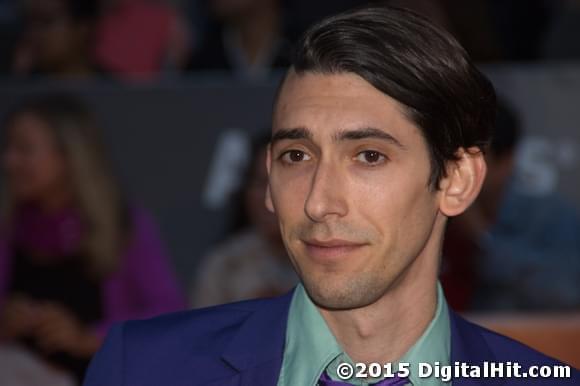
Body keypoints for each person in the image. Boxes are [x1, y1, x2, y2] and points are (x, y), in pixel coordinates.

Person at [83, 5, 580, 386]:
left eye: (368, 156)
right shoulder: (144, 368)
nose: (318, 202)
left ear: (457, 181)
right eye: (296, 156)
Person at [0, 94, 185, 381]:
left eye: (24, 149)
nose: (9, 161)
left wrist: (87, 337)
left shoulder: (122, 225)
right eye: (8, 148)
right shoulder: (8, 226)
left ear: (68, 156)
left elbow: (170, 313)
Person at [447, 99, 580, 311]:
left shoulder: (553, 217)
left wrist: (482, 238)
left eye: (473, 160)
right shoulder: (437, 214)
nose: (459, 172)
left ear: (506, 161)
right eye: (452, 158)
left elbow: (567, 292)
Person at [191, 136, 297, 308]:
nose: (269, 196)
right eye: (260, 183)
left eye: (280, 182)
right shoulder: (225, 264)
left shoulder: (334, 256)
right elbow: (201, 332)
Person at [11, 0, 103, 79]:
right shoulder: (22, 82)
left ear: (82, 29)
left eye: (47, 21)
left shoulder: (112, 89)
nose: (33, 34)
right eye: (30, 23)